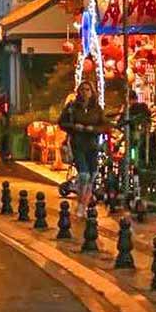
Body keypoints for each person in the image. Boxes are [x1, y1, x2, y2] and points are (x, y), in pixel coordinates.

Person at [58, 81, 106, 214]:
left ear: (92, 92)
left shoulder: (96, 109)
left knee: (92, 176)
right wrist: (74, 127)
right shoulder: (72, 107)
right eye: (83, 89)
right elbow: (62, 122)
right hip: (78, 144)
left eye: (88, 90)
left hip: (92, 145)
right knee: (84, 175)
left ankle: (84, 203)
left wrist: (94, 129)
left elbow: (104, 125)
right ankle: (80, 204)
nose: (85, 92)